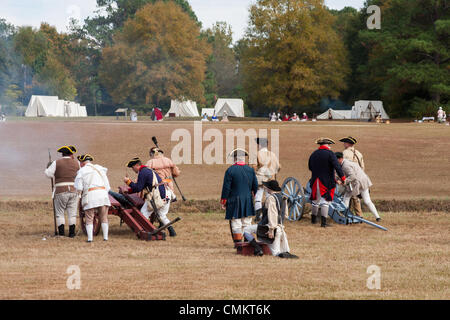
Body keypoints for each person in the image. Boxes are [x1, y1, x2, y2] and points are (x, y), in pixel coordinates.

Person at [243, 180, 298, 259]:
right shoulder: (283, 198)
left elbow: (272, 214)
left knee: (246, 230)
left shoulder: (271, 198)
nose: (266, 188)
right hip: (280, 228)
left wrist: (271, 229)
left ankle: (258, 249)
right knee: (282, 251)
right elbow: (285, 214)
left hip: (269, 228)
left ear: (270, 188)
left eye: (267, 187)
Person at [124, 158, 176, 237]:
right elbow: (141, 186)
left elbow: (138, 188)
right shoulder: (147, 170)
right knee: (162, 215)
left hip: (157, 196)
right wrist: (129, 191)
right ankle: (172, 232)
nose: (132, 169)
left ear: (137, 165)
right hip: (165, 194)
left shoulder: (143, 172)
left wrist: (128, 182)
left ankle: (144, 231)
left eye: (132, 167)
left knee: (143, 214)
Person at [221, 149, 258, 246]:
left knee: (236, 223)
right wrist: (253, 197)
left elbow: (226, 188)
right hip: (248, 199)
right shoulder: (250, 170)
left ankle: (238, 245)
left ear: (234, 159)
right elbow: (255, 186)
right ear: (243, 158)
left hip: (234, 200)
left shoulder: (230, 170)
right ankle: (248, 244)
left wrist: (224, 201)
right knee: (247, 223)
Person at [308, 138, 346, 227]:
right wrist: (343, 178)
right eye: (329, 145)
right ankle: (323, 223)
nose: (330, 146)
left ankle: (313, 220)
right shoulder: (330, 154)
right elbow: (337, 166)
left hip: (315, 180)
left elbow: (310, 167)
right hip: (326, 181)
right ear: (327, 145)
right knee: (325, 201)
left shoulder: (313, 154)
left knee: (315, 201)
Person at [44, 145, 80, 237]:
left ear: (62, 154)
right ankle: (72, 234)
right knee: (72, 214)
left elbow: (48, 174)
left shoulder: (56, 162)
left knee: (60, 213)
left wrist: (48, 167)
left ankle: (61, 234)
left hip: (60, 190)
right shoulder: (77, 163)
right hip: (73, 190)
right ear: (71, 154)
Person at [74, 154, 111, 242]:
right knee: (104, 217)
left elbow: (79, 187)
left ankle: (90, 239)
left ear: (82, 163)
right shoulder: (99, 169)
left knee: (89, 217)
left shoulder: (82, 171)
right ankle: (105, 237)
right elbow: (107, 186)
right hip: (103, 195)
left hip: (90, 196)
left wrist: (80, 194)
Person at [335, 152, 381, 221]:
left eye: (336, 160)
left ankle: (345, 216)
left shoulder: (345, 165)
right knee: (367, 201)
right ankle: (378, 217)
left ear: (340, 159)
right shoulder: (346, 162)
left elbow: (352, 176)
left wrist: (343, 182)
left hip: (358, 183)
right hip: (363, 181)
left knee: (346, 197)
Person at [145, 147, 180, 236]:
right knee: (162, 210)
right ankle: (162, 225)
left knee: (157, 208)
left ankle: (160, 225)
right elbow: (176, 173)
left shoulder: (150, 163)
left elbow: (145, 175)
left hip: (158, 189)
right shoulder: (168, 161)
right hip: (169, 187)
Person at [252, 137, 281, 222]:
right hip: (270, 179)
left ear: (260, 145)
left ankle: (258, 216)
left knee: (258, 197)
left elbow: (253, 168)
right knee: (270, 197)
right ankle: (269, 215)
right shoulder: (273, 154)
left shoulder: (256, 154)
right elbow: (278, 167)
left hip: (259, 180)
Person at [340, 136, 365, 217]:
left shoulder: (345, 153)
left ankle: (345, 214)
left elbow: (343, 165)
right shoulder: (359, 153)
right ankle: (359, 215)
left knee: (347, 196)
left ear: (348, 144)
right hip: (359, 176)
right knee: (355, 196)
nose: (343, 144)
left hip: (349, 177)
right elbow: (362, 167)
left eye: (345, 142)